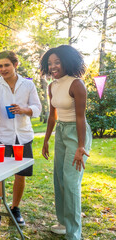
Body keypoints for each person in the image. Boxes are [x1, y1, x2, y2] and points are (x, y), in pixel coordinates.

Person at [0, 50, 41, 233]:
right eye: (0, 66)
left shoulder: (28, 85)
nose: (3, 69)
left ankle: (14, 208)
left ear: (15, 65)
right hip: (2, 137)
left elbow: (37, 107)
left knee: (20, 175)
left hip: (24, 137)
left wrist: (24, 109)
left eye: (6, 65)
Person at [40, 45, 92, 240]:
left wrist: (80, 146)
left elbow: (81, 118)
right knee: (60, 179)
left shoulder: (76, 84)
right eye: (50, 63)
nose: (53, 66)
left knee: (71, 183)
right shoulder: (52, 85)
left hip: (77, 133)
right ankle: (63, 223)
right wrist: (46, 140)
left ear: (67, 62)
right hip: (61, 131)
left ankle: (74, 234)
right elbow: (53, 116)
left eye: (57, 62)